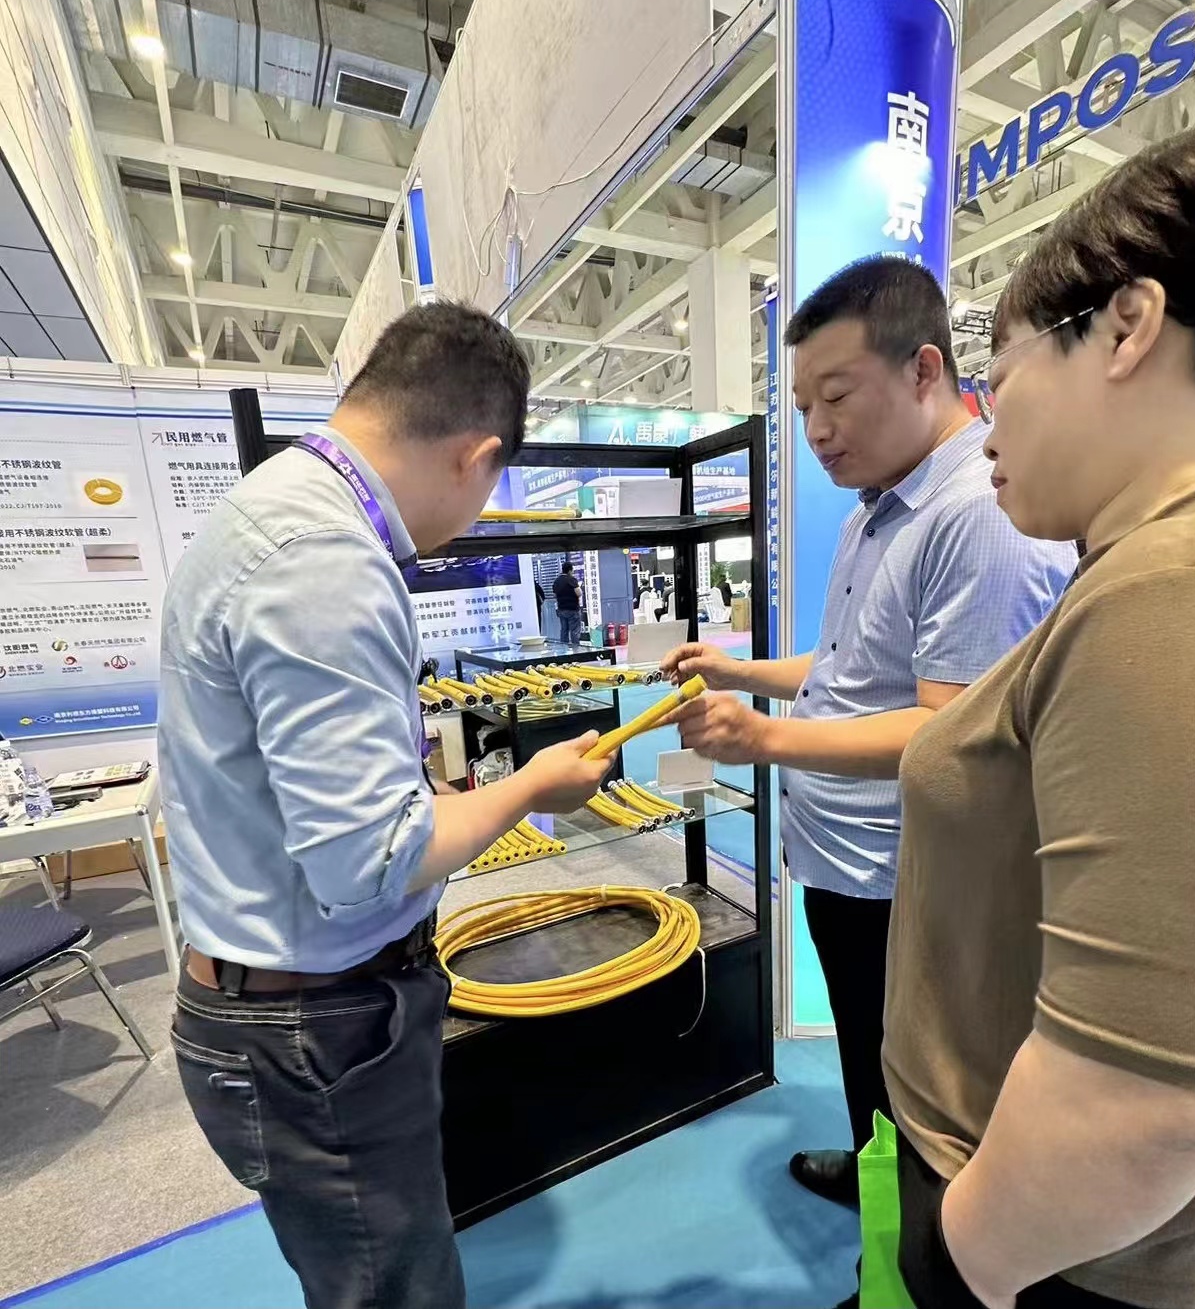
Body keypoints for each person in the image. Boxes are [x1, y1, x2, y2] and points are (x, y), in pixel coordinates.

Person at [158, 302, 612, 1309]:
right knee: (395, 1287)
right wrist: (531, 786)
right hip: (315, 1028)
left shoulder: (272, 508)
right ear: (477, 457)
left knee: (371, 1274)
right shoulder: (322, 562)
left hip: (287, 1007)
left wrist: (428, 794)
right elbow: (367, 863)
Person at [884, 120, 1195, 1309]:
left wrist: (962, 1261)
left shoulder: (1181, 584)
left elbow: (1155, 1106)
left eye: (1003, 370)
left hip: (1070, 1267)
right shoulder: (1152, 569)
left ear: (1128, 327)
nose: (988, 424)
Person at [663, 258, 1076, 1231]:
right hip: (848, 865)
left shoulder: (974, 514)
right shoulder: (877, 510)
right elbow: (856, 666)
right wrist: (741, 673)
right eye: (803, 406)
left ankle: (906, 1262)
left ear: (924, 369)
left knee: (927, 1096)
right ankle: (874, 1182)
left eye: (836, 397)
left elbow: (949, 727)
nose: (815, 431)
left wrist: (763, 737)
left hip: (910, 878)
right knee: (872, 1060)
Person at [553, 561, 583, 644]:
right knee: (574, 631)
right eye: (572, 570)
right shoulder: (572, 579)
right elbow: (579, 593)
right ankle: (575, 649)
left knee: (564, 630)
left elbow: (554, 595)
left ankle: (563, 649)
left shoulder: (557, 581)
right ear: (569, 570)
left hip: (561, 609)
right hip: (572, 609)